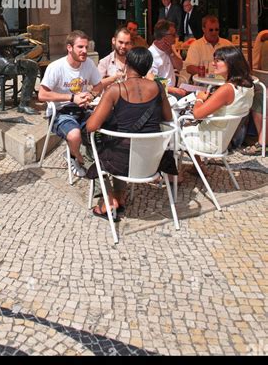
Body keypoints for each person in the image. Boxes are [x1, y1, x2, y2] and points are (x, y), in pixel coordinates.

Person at [86, 47, 177, 219]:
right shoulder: (158, 88)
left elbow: (91, 126)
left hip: (123, 162)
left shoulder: (116, 90)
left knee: (92, 145)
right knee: (120, 144)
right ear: (148, 67)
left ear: (126, 65)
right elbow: (168, 116)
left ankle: (109, 199)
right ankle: (121, 194)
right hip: (152, 161)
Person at [38, 30, 103, 178]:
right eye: (80, 47)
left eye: (86, 47)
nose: (84, 51)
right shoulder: (56, 67)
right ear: (69, 48)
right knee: (74, 136)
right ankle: (76, 158)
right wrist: (72, 97)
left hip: (83, 109)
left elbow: (99, 86)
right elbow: (42, 95)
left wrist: (91, 95)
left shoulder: (89, 64)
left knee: (102, 126)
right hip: (61, 111)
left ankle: (99, 160)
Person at [189, 47, 254, 164]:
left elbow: (197, 114)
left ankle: (174, 177)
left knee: (169, 131)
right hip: (222, 140)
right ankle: (198, 168)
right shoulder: (248, 86)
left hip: (208, 140)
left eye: (217, 61)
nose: (213, 64)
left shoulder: (227, 89)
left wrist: (199, 99)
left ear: (230, 63)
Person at [179, 16, 232, 83]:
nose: (214, 32)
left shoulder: (227, 44)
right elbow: (189, 68)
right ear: (203, 29)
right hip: (203, 83)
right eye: (211, 30)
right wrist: (206, 73)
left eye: (216, 29)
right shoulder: (196, 45)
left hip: (224, 83)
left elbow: (236, 64)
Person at [148, 20, 186, 98]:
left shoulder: (170, 47)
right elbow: (153, 83)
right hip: (160, 95)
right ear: (164, 37)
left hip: (172, 91)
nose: (176, 37)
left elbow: (180, 67)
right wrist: (174, 90)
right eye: (173, 35)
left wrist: (171, 53)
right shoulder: (151, 54)